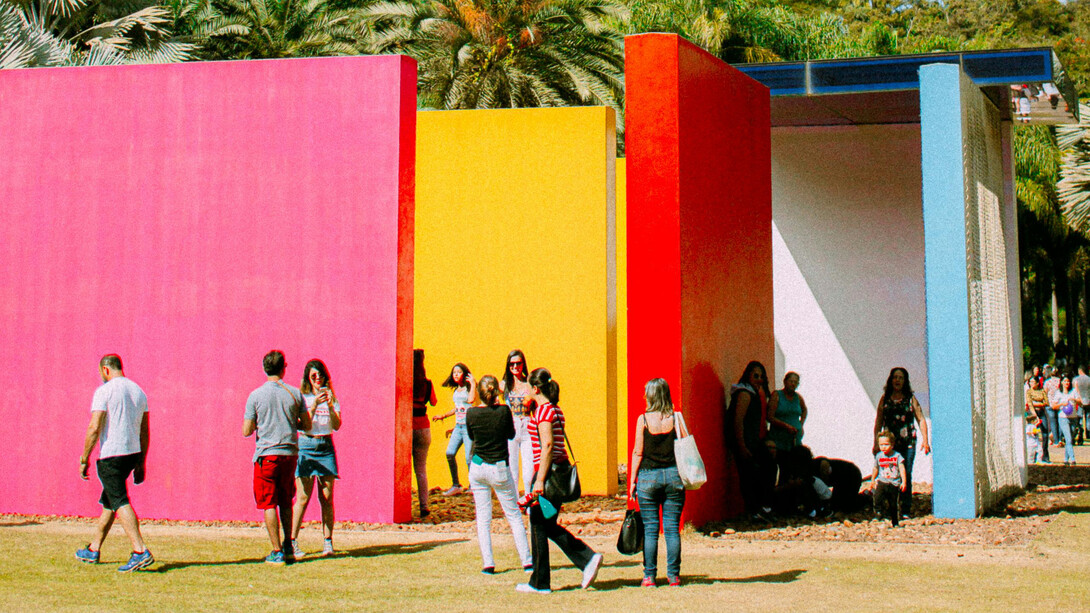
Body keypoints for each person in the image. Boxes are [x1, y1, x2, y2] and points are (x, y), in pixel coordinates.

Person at [517, 368, 602, 594]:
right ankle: (582, 561)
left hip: (548, 474)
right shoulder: (554, 410)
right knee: (545, 524)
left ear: (535, 389)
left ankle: (543, 581)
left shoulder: (544, 412)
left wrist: (539, 481)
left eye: (528, 386)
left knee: (538, 522)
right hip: (556, 472)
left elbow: (547, 446)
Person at [75, 354, 154, 572]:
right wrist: (141, 462)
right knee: (109, 502)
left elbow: (94, 427)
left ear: (106, 370)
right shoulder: (138, 391)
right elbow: (144, 430)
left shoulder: (104, 391)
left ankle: (140, 551)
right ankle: (93, 548)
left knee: (119, 501)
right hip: (131, 453)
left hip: (111, 455)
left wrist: (84, 458)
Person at [243, 350, 311, 565]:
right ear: (284, 368)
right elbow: (307, 425)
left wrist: (260, 423)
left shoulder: (255, 395)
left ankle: (276, 550)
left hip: (266, 455)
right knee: (286, 501)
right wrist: (290, 423)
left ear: (265, 368)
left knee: (268, 503)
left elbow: (246, 430)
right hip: (289, 454)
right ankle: (289, 545)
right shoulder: (294, 394)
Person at [465, 375, 532, 574]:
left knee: (483, 518)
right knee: (513, 515)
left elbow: (471, 436)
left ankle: (488, 564)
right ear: (497, 392)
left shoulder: (471, 413)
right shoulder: (504, 410)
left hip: (478, 467)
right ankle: (527, 561)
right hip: (499, 467)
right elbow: (511, 434)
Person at [628, 378, 687, 587]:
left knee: (651, 529)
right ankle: (674, 575)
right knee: (672, 528)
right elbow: (685, 444)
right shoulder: (676, 417)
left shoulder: (643, 419)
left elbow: (638, 452)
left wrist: (632, 481)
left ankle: (649, 576)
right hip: (673, 476)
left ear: (651, 395)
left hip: (648, 477)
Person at [289, 359, 342, 558]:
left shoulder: (332, 397)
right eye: (313, 375)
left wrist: (328, 405)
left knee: (326, 497)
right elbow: (303, 424)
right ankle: (292, 541)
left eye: (320, 374)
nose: (317, 378)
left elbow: (336, 425)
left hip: (326, 446)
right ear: (308, 378)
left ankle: (328, 542)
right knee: (303, 497)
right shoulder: (303, 397)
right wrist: (314, 406)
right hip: (307, 445)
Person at [872, 367, 931, 518]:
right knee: (887, 475)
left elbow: (921, 419)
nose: (897, 380)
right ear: (891, 380)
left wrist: (926, 440)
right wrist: (876, 442)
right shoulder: (885, 399)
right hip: (889, 444)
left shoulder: (910, 399)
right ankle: (886, 507)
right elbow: (879, 421)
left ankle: (905, 508)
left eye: (901, 378)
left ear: (905, 381)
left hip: (907, 443)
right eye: (895, 377)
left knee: (906, 473)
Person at [725, 360, 776, 522]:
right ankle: (755, 511)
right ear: (748, 375)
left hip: (752, 441)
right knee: (749, 476)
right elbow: (738, 421)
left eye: (761, 376)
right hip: (746, 443)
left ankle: (761, 509)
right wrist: (742, 446)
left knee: (763, 470)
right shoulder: (745, 394)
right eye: (755, 375)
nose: (759, 379)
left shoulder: (752, 393)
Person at [434, 363, 477, 496]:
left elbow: (470, 401)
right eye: (454, 372)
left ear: (464, 374)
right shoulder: (456, 391)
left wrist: (474, 384)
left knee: (469, 458)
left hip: (468, 427)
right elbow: (458, 408)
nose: (456, 374)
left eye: (459, 372)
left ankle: (473, 486)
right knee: (450, 453)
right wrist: (444, 416)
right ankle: (456, 484)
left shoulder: (469, 389)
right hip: (458, 427)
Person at [499, 350, 535, 494]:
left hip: (527, 425)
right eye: (512, 364)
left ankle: (529, 501)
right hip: (511, 426)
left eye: (518, 363)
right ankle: (514, 503)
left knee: (529, 471)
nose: (515, 367)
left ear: (523, 364)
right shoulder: (504, 385)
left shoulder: (529, 383)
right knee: (512, 471)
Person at [412, 349, 437, 517]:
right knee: (421, 469)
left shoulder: (405, 380)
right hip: (424, 427)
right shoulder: (427, 384)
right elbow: (434, 402)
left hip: (408, 427)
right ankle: (424, 505)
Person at [866, 431, 906, 527]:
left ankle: (895, 521)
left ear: (892, 445)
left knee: (893, 503)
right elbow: (876, 468)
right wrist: (872, 480)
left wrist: (904, 481)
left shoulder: (897, 456)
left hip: (894, 483)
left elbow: (902, 468)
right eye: (881, 445)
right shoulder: (879, 456)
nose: (883, 447)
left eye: (886, 444)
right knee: (877, 497)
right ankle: (878, 513)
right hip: (882, 481)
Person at [767, 371, 807, 455]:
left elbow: (804, 410)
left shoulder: (798, 397)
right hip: (779, 440)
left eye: (795, 382)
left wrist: (801, 424)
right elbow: (770, 416)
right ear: (785, 382)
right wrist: (785, 426)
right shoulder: (777, 395)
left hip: (795, 440)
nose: (793, 384)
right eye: (791, 381)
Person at [1049, 373, 1080, 466]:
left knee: (1069, 439)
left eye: (1068, 381)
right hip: (1063, 418)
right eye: (1065, 381)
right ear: (1061, 382)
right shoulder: (1059, 393)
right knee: (1068, 438)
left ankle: (1066, 459)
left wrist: (1074, 399)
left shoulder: (1073, 391)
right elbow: (1053, 406)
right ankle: (1073, 459)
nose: (1067, 383)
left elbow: (1080, 401)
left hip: (1073, 417)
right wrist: (1062, 404)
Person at [1026, 376, 1051, 463]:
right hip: (1033, 413)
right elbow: (1029, 403)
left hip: (1042, 412)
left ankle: (1045, 454)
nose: (1031, 383)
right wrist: (1035, 415)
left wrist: (1038, 404)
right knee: (1034, 432)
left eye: (1033, 382)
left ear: (1037, 383)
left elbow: (1046, 402)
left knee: (1045, 433)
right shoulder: (1029, 392)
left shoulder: (1042, 391)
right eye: (1030, 382)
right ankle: (1034, 453)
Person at [1043, 366, 1061, 446]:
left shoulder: (1047, 382)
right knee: (1059, 422)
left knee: (1053, 422)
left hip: (1050, 404)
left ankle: (1056, 441)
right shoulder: (1059, 381)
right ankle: (1060, 438)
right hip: (1058, 403)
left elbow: (1045, 393)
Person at [1073, 365, 1090, 445]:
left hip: (1079, 402)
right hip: (1088, 401)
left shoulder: (1076, 379)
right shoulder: (1089, 379)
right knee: (1088, 418)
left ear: (1080, 370)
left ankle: (1080, 432)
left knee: (1079, 418)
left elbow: (1075, 391)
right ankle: (1088, 433)